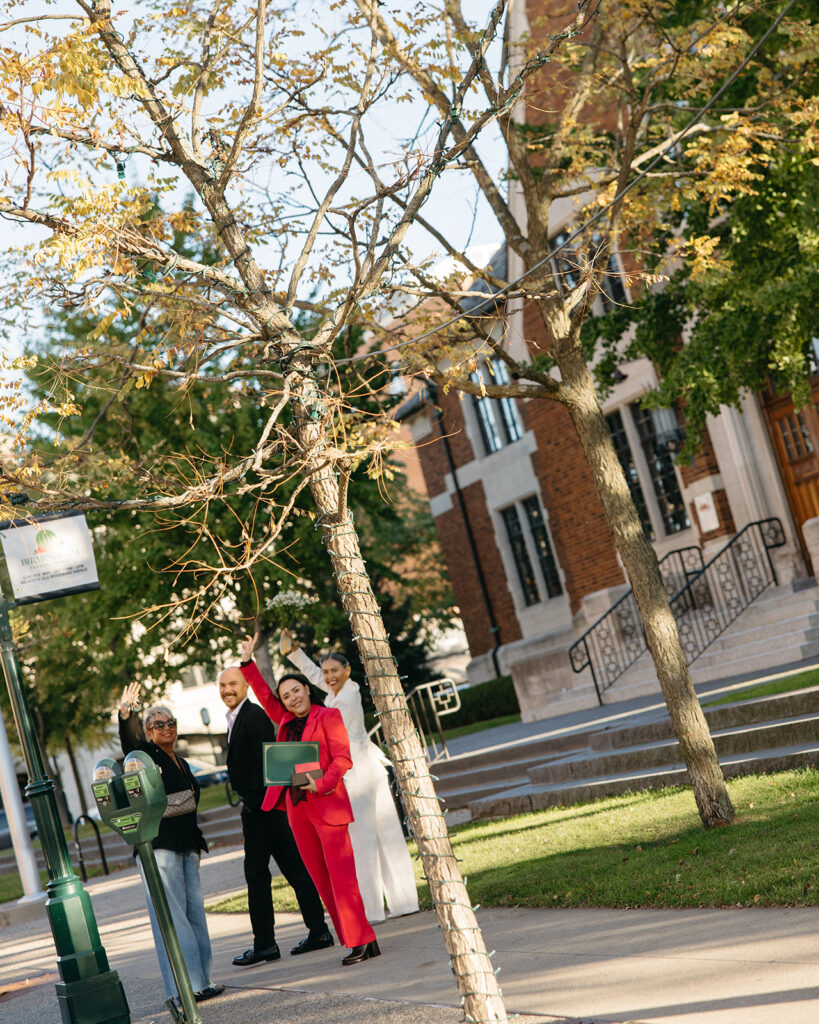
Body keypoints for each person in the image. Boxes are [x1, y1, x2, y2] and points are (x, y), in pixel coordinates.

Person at [238, 635, 380, 966]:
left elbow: (343, 759)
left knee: (342, 878)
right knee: (321, 879)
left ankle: (361, 938)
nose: (292, 698)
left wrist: (322, 784)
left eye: (296, 690)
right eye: (285, 695)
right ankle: (356, 939)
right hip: (297, 811)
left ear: (306, 689)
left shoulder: (328, 716)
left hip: (327, 806)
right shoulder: (285, 720)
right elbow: (263, 694)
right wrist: (248, 663)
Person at [281, 629, 419, 923]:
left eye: (334, 671)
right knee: (385, 835)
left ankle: (370, 911)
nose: (328, 676)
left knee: (362, 842)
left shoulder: (344, 700)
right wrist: (295, 652)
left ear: (347, 670)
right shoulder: (340, 689)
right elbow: (315, 677)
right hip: (369, 767)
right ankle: (403, 902)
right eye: (326, 671)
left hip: (356, 775)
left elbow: (321, 719)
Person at [118, 683, 224, 1004]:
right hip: (159, 848)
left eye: (171, 723)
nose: (167, 728)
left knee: (195, 916)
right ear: (149, 733)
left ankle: (202, 981)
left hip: (188, 846)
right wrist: (127, 713)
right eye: (159, 724)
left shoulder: (181, 761)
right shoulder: (146, 755)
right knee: (173, 919)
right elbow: (129, 743)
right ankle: (183, 988)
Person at [218, 666, 332, 965]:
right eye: (222, 685)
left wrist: (255, 804)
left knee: (256, 875)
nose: (227, 689)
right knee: (295, 869)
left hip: (262, 809)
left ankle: (265, 944)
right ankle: (318, 930)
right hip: (269, 808)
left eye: (232, 684)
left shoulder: (252, 715)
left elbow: (267, 761)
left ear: (244, 686)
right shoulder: (235, 718)